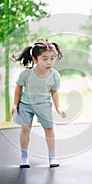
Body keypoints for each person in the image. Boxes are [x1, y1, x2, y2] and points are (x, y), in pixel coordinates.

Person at [11, 39, 66, 168]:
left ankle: (52, 157)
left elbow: (54, 92)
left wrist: (58, 107)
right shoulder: (26, 74)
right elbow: (18, 87)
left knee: (49, 128)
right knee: (25, 128)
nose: (49, 62)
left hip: (44, 104)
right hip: (25, 105)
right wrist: (15, 104)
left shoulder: (54, 75)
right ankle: (24, 157)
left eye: (52, 58)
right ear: (35, 59)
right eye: (45, 59)